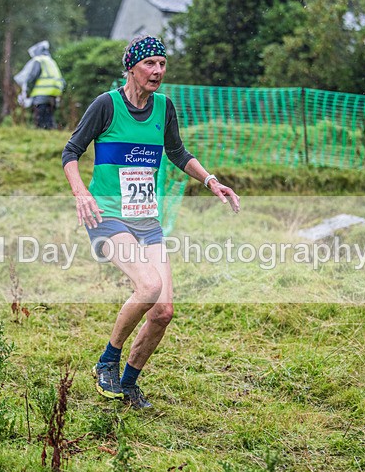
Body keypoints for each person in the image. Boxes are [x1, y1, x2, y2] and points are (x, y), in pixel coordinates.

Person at [61, 35, 240, 409]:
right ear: (131, 67)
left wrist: (210, 180)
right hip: (107, 215)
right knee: (148, 287)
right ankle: (107, 360)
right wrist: (81, 193)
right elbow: (71, 152)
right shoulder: (106, 106)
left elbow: (176, 152)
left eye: (162, 64)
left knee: (163, 311)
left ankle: (128, 385)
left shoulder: (164, 108)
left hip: (147, 221)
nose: (157, 71)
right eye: (149, 64)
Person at [14, 40, 65, 129]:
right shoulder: (51, 61)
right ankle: (50, 133)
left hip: (42, 93)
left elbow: (32, 77)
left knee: (40, 117)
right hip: (54, 93)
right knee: (49, 116)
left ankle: (42, 133)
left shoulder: (39, 60)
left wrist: (27, 92)